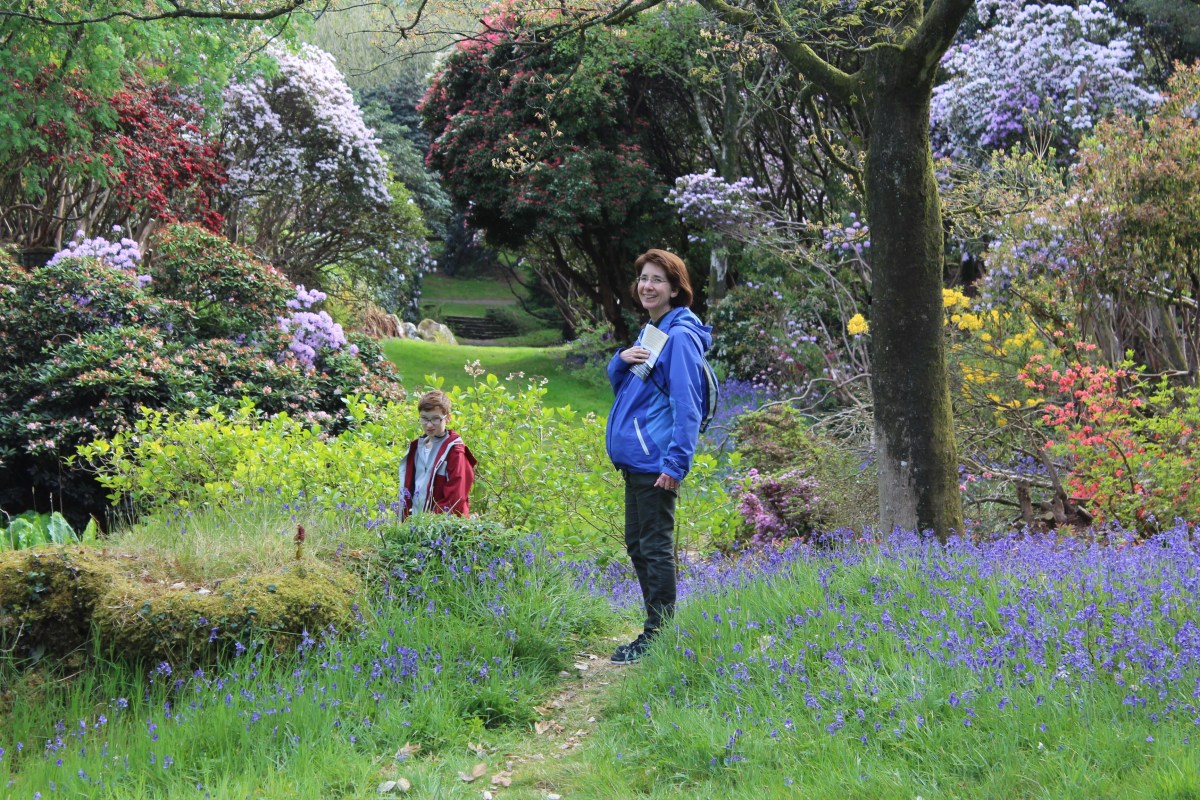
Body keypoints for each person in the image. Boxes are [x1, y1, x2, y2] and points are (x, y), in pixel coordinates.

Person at [605, 249, 713, 664]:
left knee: (654, 547)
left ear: (675, 289)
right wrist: (619, 361)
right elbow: (632, 390)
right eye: (643, 279)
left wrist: (675, 464)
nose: (647, 286)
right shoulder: (653, 330)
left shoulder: (680, 337)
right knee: (638, 544)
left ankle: (658, 635)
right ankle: (656, 628)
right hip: (637, 462)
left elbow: (687, 406)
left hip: (656, 464)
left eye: (657, 280)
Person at [400, 390, 477, 519]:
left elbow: (456, 498)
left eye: (436, 419)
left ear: (447, 417)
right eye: (424, 418)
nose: (429, 425)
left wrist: (431, 520)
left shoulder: (455, 451)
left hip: (442, 527)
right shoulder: (417, 448)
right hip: (416, 524)